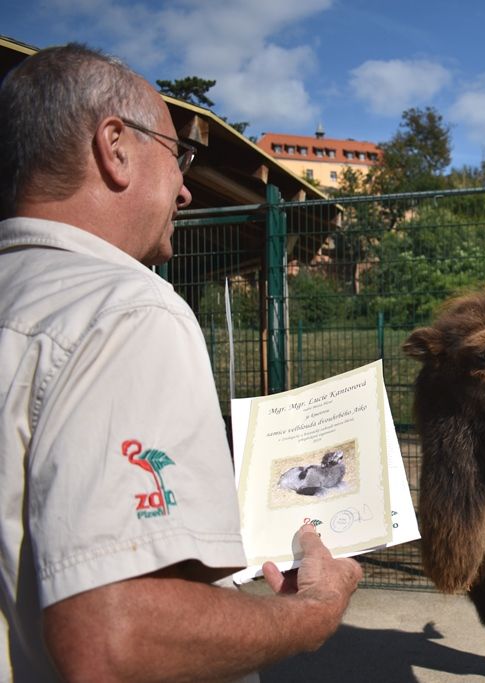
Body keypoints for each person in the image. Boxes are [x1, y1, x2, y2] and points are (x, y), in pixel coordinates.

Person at [0, 44, 362, 681]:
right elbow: (114, 637)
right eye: (179, 157)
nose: (187, 189)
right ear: (114, 147)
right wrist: (315, 611)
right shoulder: (127, 311)